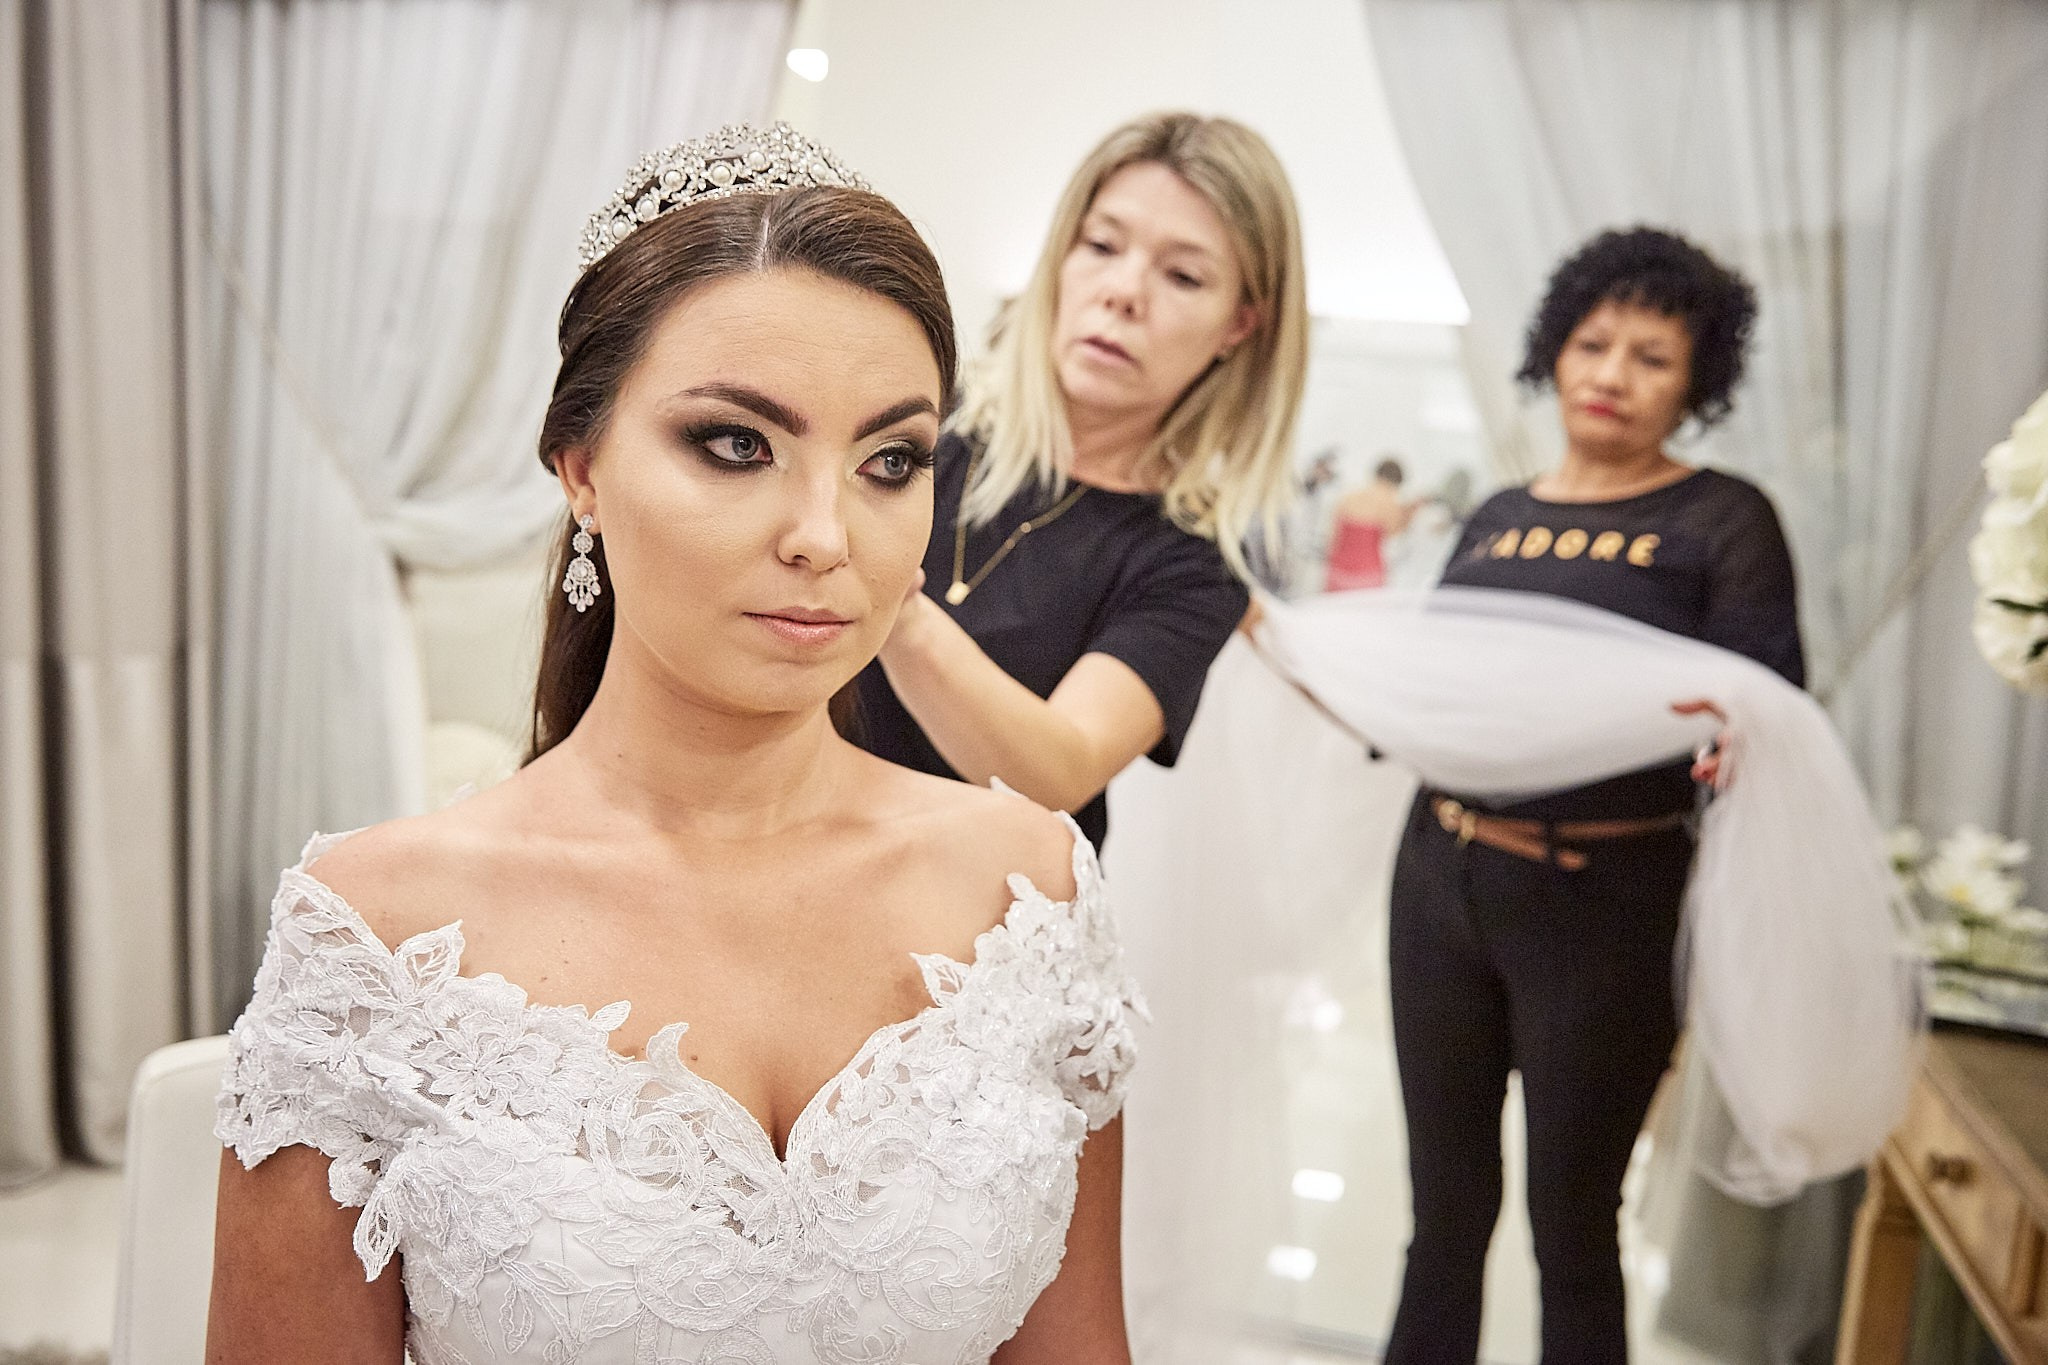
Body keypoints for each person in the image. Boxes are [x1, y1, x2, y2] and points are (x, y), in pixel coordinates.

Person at [205, 123, 1142, 1365]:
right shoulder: (373, 937)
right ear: (581, 468)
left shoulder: (1028, 895)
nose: (825, 536)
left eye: (889, 461)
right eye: (736, 445)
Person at [1382, 226, 1803, 1363]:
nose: (1612, 373)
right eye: (1592, 343)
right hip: (1436, 879)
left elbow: (1766, 703)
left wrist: (1727, 742)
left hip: (1608, 905)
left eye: (1651, 357)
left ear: (1696, 382)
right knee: (1441, 1217)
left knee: (1571, 1226)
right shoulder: (1493, 514)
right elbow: (1432, 675)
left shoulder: (1725, 520)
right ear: (1553, 352)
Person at [854, 112, 1310, 849]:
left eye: (1183, 276)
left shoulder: (1193, 566)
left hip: (983, 890)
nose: (1124, 292)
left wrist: (893, 611)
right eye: (1101, 245)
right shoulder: (921, 422)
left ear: (1239, 327)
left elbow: (1060, 770)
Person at [1324, 455, 1424, 592]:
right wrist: (1408, 516)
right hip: (1367, 575)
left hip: (1338, 571)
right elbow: (1393, 532)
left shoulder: (1348, 497)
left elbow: (1334, 537)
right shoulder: (1389, 502)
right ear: (1395, 483)